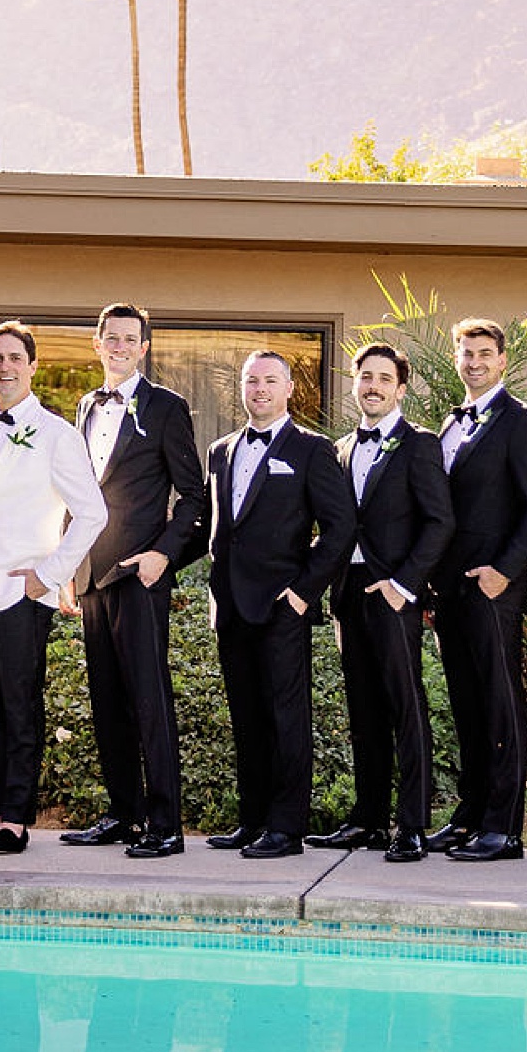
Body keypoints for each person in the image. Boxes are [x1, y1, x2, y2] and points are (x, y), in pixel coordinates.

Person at [0, 322, 106, 857]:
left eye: (15, 357)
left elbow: (93, 513)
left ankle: (18, 817)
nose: (5, 366)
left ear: (33, 365)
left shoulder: (58, 433)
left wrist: (50, 573)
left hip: (24, 588)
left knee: (21, 705)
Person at [60, 303, 206, 861]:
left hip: (141, 577)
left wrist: (163, 556)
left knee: (149, 699)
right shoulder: (84, 406)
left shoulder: (167, 408)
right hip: (93, 575)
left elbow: (193, 496)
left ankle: (165, 824)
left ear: (143, 348)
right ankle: (123, 814)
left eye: (130, 339)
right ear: (97, 344)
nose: (119, 346)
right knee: (107, 700)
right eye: (111, 338)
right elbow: (79, 496)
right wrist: (69, 568)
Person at [201, 348, 355, 858]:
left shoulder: (313, 450)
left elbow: (340, 529)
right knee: (246, 716)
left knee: (286, 718)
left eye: (270, 380)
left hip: (282, 607)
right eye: (251, 381)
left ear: (290, 389)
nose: (260, 389)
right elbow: (215, 527)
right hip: (231, 606)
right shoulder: (220, 451)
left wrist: (303, 592)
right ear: (241, 389)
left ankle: (286, 829)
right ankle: (253, 821)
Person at [311, 344, 454, 863]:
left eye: (383, 378)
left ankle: (412, 824)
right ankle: (368, 820)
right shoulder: (341, 448)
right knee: (363, 710)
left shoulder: (420, 445)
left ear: (400, 387)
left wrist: (405, 584)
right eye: (364, 376)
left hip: (395, 595)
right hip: (349, 595)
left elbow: (440, 521)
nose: (372, 385)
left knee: (404, 708)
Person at [427, 317, 527, 864]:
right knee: (467, 705)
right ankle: (470, 815)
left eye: (484, 353)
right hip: (450, 590)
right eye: (466, 353)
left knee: (500, 706)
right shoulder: (449, 427)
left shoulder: (521, 422)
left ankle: (503, 829)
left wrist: (503, 570)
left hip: (493, 588)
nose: (475, 362)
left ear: (502, 360)